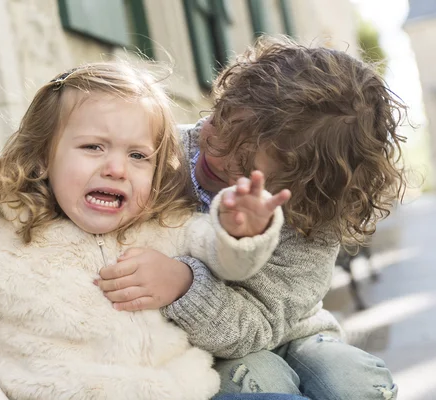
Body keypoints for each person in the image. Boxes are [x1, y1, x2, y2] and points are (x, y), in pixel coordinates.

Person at [0, 62, 292, 400]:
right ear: (43, 157)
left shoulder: (167, 227)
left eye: (138, 155)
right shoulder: (1, 254)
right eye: (93, 147)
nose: (117, 168)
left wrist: (241, 231)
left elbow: (230, 263)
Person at [96, 36, 405, 400]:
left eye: (244, 167)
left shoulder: (311, 225)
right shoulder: (156, 152)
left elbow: (257, 326)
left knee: (352, 382)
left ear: (306, 193)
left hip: (282, 330)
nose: (215, 153)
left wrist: (184, 285)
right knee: (261, 381)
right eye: (221, 122)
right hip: (185, 347)